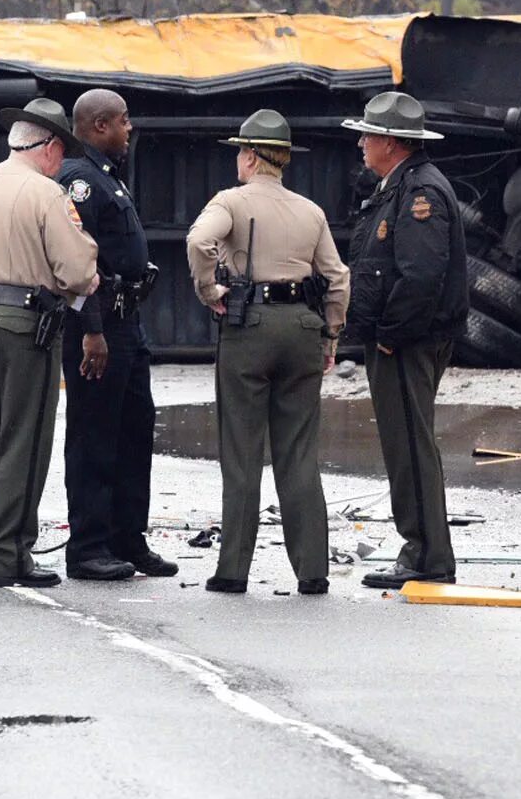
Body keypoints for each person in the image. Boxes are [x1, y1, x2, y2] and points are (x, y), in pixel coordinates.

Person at [184, 109, 350, 596]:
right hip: (302, 325)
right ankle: (312, 570)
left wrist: (209, 290)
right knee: (297, 452)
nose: (238, 159)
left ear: (253, 156)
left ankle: (234, 569)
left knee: (242, 452)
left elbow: (199, 240)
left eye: (240, 151)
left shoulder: (230, 201)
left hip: (249, 324)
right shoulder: (311, 210)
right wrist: (331, 337)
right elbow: (338, 277)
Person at [0, 97, 101, 588]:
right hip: (24, 322)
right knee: (23, 439)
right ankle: (7, 554)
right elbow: (77, 271)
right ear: (50, 148)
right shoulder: (48, 194)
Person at [342, 91, 469, 590]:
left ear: (391, 142)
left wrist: (392, 336)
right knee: (406, 444)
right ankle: (422, 548)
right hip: (403, 338)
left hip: (407, 342)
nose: (360, 143)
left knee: (410, 447)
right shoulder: (401, 186)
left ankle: (426, 555)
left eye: (368, 134)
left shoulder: (420, 194)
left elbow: (419, 277)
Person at [56, 89, 174, 581]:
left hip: (127, 321)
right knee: (94, 436)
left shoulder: (106, 177)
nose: (131, 129)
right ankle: (87, 547)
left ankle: (128, 537)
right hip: (98, 325)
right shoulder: (79, 181)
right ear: (100, 125)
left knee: (133, 431)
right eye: (124, 122)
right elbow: (79, 264)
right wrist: (93, 331)